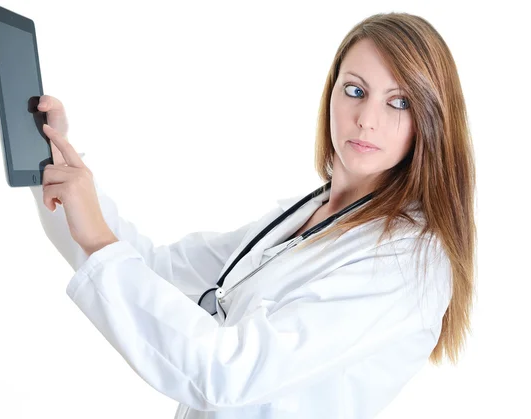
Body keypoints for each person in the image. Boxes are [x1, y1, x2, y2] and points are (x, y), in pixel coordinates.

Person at [30, 11, 476, 419]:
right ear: (331, 94)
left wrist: (100, 244)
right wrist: (58, 167)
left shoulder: (407, 261)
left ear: (431, 120)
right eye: (355, 90)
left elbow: (230, 372)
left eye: (399, 102)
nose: (366, 119)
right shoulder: (306, 214)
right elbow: (159, 270)